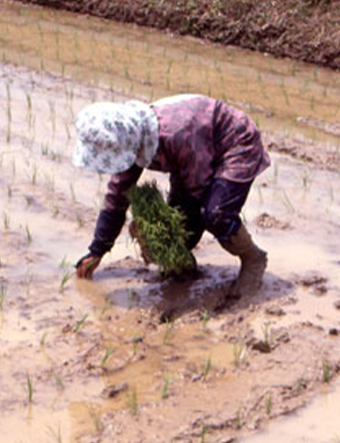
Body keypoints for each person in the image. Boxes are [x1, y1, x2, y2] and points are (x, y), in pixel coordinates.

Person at [72, 94, 270, 295]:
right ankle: (184, 265)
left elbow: (197, 189)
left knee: (215, 213)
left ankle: (252, 258)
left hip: (234, 143)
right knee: (177, 224)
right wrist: (97, 250)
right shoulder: (131, 138)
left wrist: (180, 239)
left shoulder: (176, 134)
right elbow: (117, 196)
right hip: (194, 153)